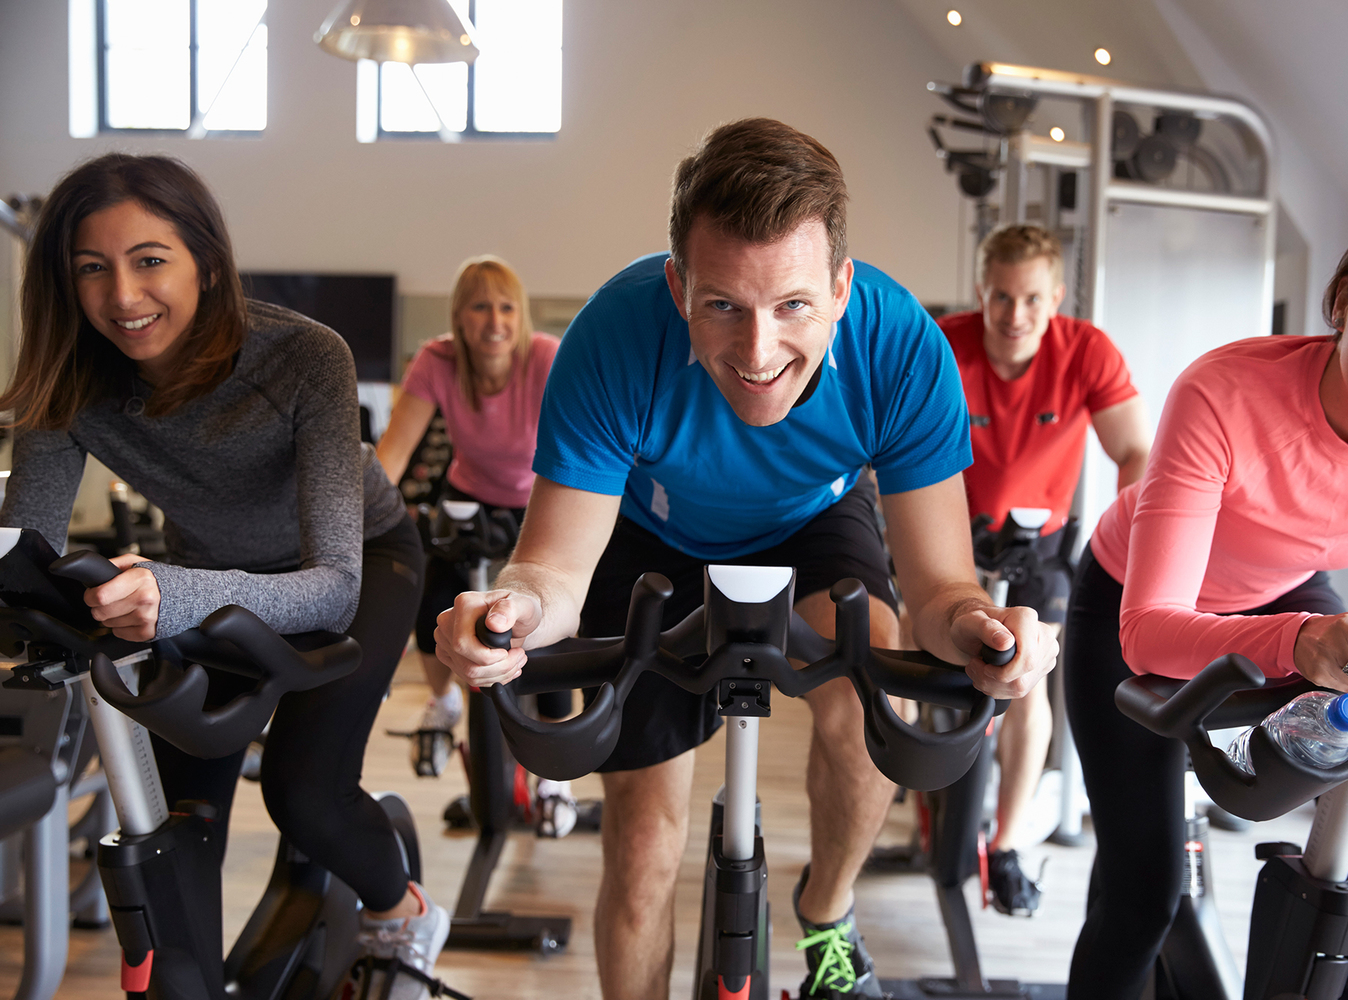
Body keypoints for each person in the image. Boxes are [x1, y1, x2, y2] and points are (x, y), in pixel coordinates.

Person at [434, 118, 1057, 1000]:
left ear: (842, 288)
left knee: (870, 692)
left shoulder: (900, 347)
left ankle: (829, 908)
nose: (759, 353)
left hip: (814, 520)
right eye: (722, 304)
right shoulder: (613, 339)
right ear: (677, 285)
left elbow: (940, 592)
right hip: (653, 534)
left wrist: (984, 630)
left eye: (794, 305)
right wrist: (506, 616)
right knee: (645, 844)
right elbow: (555, 574)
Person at [0, 154, 448, 995]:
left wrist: (170, 595)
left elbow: (332, 586)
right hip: (205, 577)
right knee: (180, 823)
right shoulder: (70, 377)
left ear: (205, 259)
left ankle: (404, 911)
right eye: (92, 269)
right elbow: (25, 548)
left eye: (150, 260)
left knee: (305, 791)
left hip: (363, 563)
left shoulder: (304, 356)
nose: (124, 297)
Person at [1063, 194, 1348, 1000]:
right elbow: (1150, 633)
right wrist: (1301, 642)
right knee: (1144, 884)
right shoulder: (1226, 392)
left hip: (1289, 597)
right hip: (1132, 602)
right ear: (1346, 298)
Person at [938, 223, 1149, 915]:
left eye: (1031, 299)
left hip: (1045, 543)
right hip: (952, 537)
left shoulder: (1085, 350)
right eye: (1001, 297)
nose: (1014, 316)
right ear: (981, 290)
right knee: (927, 675)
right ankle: (932, 814)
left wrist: (1139, 547)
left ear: (1055, 296)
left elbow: (1136, 454)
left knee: (1028, 687)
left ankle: (1006, 846)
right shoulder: (948, 342)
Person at [375, 256, 575, 826]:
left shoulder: (543, 357)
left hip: (536, 497)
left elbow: (573, 444)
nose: (495, 320)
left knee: (545, 629)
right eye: (480, 307)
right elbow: (392, 454)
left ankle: (553, 779)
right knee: (431, 594)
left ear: (522, 314)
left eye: (507, 306)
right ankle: (441, 706)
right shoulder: (436, 362)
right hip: (466, 499)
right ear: (458, 318)